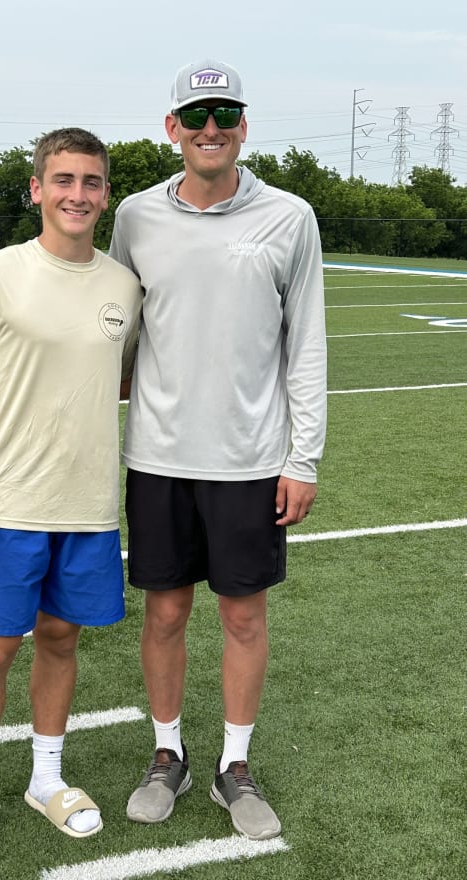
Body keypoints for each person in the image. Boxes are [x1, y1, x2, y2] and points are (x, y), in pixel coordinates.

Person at [109, 59, 327, 840]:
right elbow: (120, 330)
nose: (211, 129)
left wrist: (303, 458)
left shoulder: (290, 216)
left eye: (225, 114)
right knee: (164, 612)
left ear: (243, 124)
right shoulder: (134, 215)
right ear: (171, 128)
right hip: (159, 457)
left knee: (243, 616)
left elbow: (305, 344)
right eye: (196, 116)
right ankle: (167, 752)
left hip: (248, 460)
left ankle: (233, 766)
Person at [0, 127, 142, 864]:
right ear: (37, 190)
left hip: (86, 509)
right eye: (63, 180)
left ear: (105, 194)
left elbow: (121, 378)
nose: (77, 194)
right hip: (4, 507)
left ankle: (46, 779)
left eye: (91, 182)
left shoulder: (122, 286)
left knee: (60, 640)